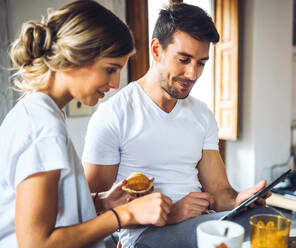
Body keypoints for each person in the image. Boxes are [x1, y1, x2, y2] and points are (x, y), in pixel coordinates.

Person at [82, 3, 279, 248]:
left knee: (270, 221)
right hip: (145, 234)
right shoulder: (114, 114)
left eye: (201, 63)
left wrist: (240, 199)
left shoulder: (201, 115)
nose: (193, 74)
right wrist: (170, 212)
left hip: (201, 222)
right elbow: (89, 208)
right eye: (184, 59)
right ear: (156, 50)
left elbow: (219, 193)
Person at [0, 1, 172, 247]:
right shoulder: (43, 128)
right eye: (110, 69)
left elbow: (51, 210)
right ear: (74, 57)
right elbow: (36, 243)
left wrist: (101, 202)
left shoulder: (40, 113)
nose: (115, 84)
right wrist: (126, 215)